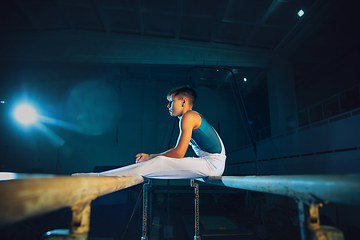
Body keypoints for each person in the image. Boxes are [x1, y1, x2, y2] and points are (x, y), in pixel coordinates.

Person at [74, 86, 226, 179]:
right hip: (212, 161)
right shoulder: (191, 117)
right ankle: (102, 176)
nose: (168, 105)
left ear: (184, 101)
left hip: (213, 164)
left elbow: (179, 153)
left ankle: (99, 177)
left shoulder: (189, 116)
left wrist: (150, 157)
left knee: (159, 161)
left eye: (171, 101)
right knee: (159, 162)